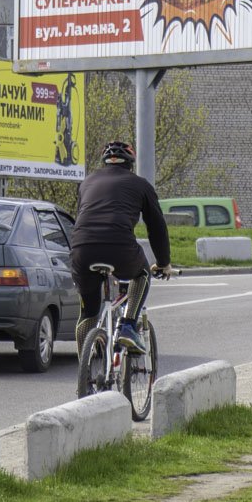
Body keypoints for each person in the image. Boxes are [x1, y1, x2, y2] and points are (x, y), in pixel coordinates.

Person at [69, 140, 172, 355]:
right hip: (119, 247)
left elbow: (82, 216)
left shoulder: (86, 182)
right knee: (142, 273)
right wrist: (163, 263)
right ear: (130, 163)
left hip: (82, 249)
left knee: (88, 312)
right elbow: (157, 227)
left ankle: (83, 374)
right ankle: (128, 325)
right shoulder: (141, 185)